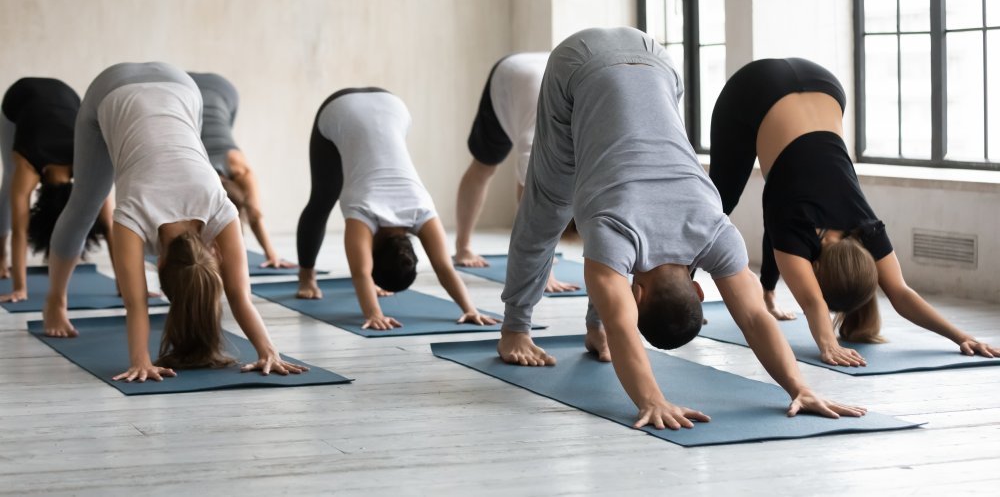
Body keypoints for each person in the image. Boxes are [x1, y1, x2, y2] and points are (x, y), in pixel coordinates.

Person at [500, 27, 864, 430]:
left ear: (697, 290)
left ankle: (570, 328)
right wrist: (651, 400)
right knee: (549, 204)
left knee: (573, 223)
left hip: (658, 59)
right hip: (578, 66)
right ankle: (515, 329)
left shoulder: (715, 229)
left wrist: (801, 387)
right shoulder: (614, 234)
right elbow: (628, 323)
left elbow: (757, 317)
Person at [709, 57, 999, 367]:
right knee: (715, 205)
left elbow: (900, 293)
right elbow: (813, 301)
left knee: (774, 200)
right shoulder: (799, 229)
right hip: (753, 88)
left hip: (824, 83)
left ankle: (766, 294)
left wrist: (962, 336)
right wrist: (827, 344)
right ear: (816, 271)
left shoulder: (867, 228)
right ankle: (688, 293)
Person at [43, 62, 306, 382]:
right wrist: (141, 361)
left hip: (181, 87)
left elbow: (237, 295)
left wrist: (269, 351)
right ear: (160, 260)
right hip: (114, 89)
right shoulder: (135, 213)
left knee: (90, 202)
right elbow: (136, 302)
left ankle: (58, 299)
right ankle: (55, 301)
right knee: (85, 203)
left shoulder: (220, 207)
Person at [296, 87, 497, 330]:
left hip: (393, 105)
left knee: (327, 194)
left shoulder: (422, 207)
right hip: (341, 109)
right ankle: (307, 279)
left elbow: (444, 267)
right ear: (373, 255)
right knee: (323, 197)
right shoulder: (363, 210)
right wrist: (373, 314)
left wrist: (470, 309)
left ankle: (309, 277)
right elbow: (360, 272)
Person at [454, 53, 577, 293]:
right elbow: (530, 209)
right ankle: (462, 246)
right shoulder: (535, 147)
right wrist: (543, 273)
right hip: (509, 76)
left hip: (551, 67)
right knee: (485, 165)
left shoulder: (593, 138)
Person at [0, 78, 111, 303]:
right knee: (10, 183)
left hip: (67, 96)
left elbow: (109, 226)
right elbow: (19, 230)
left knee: (15, 194)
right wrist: (19, 287)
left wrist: (127, 289)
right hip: (19, 98)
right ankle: (0, 256)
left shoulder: (87, 162)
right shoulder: (27, 164)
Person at [188, 72, 293, 270]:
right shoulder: (193, 172)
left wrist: (272, 254)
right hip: (201, 88)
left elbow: (254, 213)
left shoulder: (241, 169)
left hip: (220, 92)